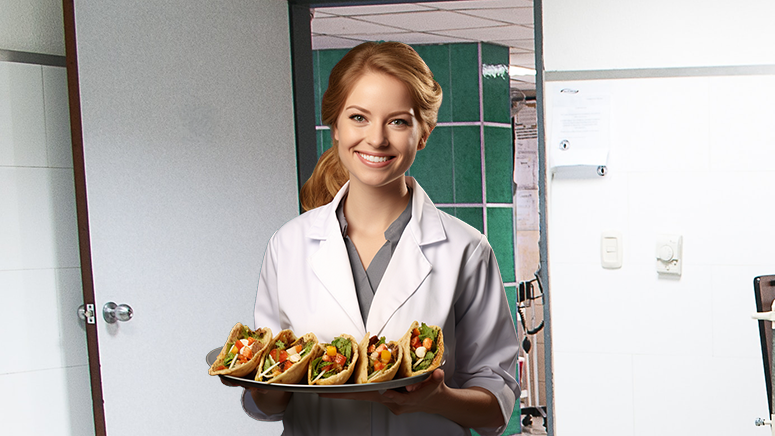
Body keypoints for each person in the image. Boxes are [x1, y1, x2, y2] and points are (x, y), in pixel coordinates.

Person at [237, 41, 520, 435]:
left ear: (423, 134)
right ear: (334, 126)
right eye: (358, 117)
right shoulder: (288, 245)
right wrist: (263, 383)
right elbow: (264, 399)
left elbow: (496, 407)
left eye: (398, 121)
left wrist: (437, 399)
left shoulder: (466, 250)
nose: (376, 139)